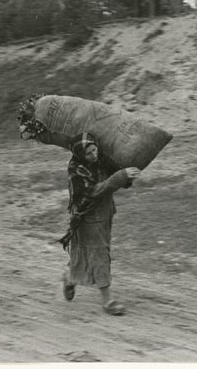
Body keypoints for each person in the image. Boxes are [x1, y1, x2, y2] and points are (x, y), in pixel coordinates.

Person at [60, 132, 140, 315]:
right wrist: (120, 177)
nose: (94, 155)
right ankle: (107, 301)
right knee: (99, 253)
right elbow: (95, 191)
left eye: (95, 150)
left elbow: (113, 178)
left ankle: (69, 278)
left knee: (86, 252)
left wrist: (127, 179)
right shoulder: (76, 169)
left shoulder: (101, 160)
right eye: (89, 153)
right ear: (81, 155)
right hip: (86, 216)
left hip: (104, 214)